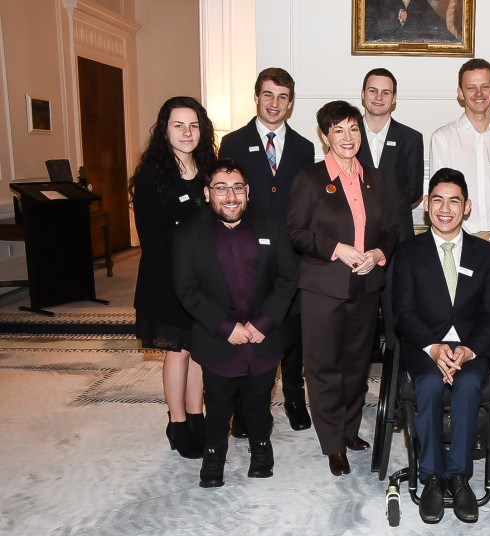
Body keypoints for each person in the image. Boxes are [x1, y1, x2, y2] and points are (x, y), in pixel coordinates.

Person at [286, 100, 399, 476]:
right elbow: (297, 233)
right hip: (323, 288)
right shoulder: (310, 178)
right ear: (325, 136)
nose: (348, 137)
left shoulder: (376, 178)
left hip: (366, 286)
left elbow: (392, 230)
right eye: (338, 130)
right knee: (324, 367)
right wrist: (337, 249)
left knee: (356, 365)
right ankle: (333, 442)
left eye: (353, 129)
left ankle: (350, 430)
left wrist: (378, 252)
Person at [173, 158, 298, 488]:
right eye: (221, 188)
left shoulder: (272, 225)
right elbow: (187, 289)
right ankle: (214, 454)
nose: (230, 197)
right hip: (217, 340)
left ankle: (261, 448)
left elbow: (287, 278)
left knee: (259, 402)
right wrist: (227, 328)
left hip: (263, 337)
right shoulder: (188, 233)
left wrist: (263, 323)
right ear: (208, 192)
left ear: (248, 191)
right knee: (216, 404)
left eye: (237, 188)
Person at [394, 168, 490, 524]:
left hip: (471, 348)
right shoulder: (409, 252)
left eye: (454, 200)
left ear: (466, 207)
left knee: (470, 383)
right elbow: (404, 312)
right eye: (437, 199)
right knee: (426, 383)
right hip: (426, 347)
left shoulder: (486, 254)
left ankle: (459, 477)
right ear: (426, 205)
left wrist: (469, 350)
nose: (445, 208)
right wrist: (433, 347)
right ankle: (431, 478)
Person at [219, 67, 315, 433]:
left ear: (291, 104)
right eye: (268, 95)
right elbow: (224, 197)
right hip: (245, 253)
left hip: (289, 253)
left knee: (291, 330)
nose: (275, 104)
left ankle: (293, 397)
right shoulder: (232, 143)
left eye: (283, 97)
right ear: (256, 97)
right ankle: (244, 408)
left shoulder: (305, 147)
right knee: (247, 327)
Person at [130, 96, 216, 459]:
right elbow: (153, 240)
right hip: (168, 279)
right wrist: (186, 275)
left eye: (193, 125)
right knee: (178, 351)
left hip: (207, 280)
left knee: (200, 351)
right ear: (165, 130)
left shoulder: (211, 170)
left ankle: (197, 416)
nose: (187, 132)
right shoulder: (151, 176)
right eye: (178, 125)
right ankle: (177, 422)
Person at [430, 58, 490, 350]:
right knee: (454, 317)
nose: (479, 93)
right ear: (460, 93)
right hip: (455, 242)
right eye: (471, 87)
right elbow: (443, 197)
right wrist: (462, 239)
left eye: (485, 86)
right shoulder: (443, 138)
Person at [356, 67, 424, 358]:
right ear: (363, 95)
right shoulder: (346, 135)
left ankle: (398, 386)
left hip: (398, 242)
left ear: (394, 99)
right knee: (358, 320)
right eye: (373, 90)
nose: (379, 97)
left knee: (398, 313)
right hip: (355, 241)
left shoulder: (410, 137)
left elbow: (413, 192)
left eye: (386, 92)